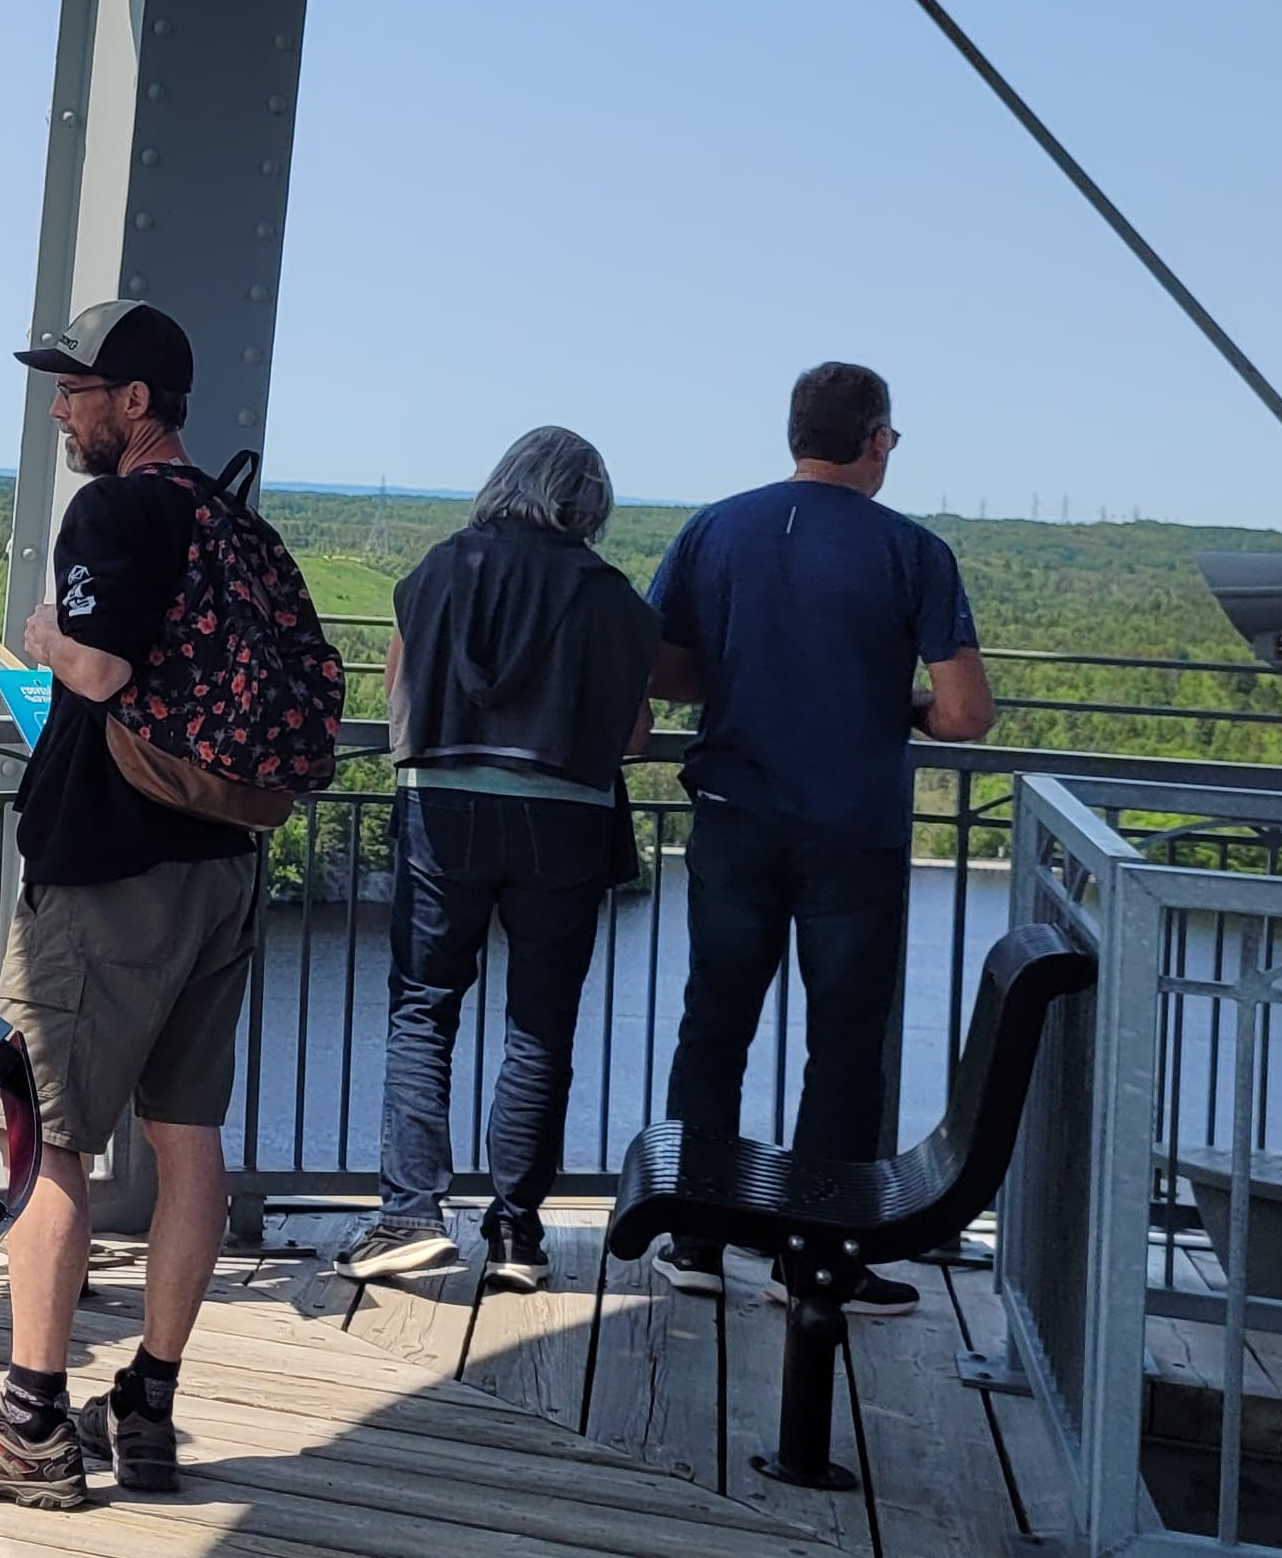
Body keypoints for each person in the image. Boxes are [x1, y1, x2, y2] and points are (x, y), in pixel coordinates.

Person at [0, 299, 256, 1514]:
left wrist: (44, 635)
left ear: (132, 401)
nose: (58, 409)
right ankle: (148, 1400)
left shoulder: (116, 511)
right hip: (221, 863)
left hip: (108, 875)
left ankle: (32, 1421)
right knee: (188, 1140)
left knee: (46, 1141)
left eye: (75, 388)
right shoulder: (232, 521)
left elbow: (101, 667)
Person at [644, 362, 993, 1315]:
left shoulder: (714, 529)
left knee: (714, 1025)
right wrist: (897, 704)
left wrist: (749, 679)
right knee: (844, 1045)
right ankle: (816, 1258)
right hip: (854, 830)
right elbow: (965, 715)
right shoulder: (913, 550)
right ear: (876, 440)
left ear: (794, 434)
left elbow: (664, 669)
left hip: (734, 814)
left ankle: (695, 1239)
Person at [336, 427, 656, 1296]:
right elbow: (631, 734)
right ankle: (517, 1232)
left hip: (442, 811)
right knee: (540, 1028)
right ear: (589, 503)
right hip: (566, 820)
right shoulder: (610, 597)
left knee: (423, 1008)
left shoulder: (438, 571)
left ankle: (408, 1218)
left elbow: (399, 695)